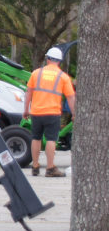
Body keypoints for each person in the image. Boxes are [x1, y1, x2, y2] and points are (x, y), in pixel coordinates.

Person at [23, 47, 76, 177]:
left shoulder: (36, 73)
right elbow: (70, 97)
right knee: (52, 139)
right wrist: (74, 114)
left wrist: (26, 110)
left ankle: (35, 166)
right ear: (59, 61)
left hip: (36, 112)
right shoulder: (63, 77)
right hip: (52, 113)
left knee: (36, 138)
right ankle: (50, 168)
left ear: (47, 59)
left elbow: (28, 92)